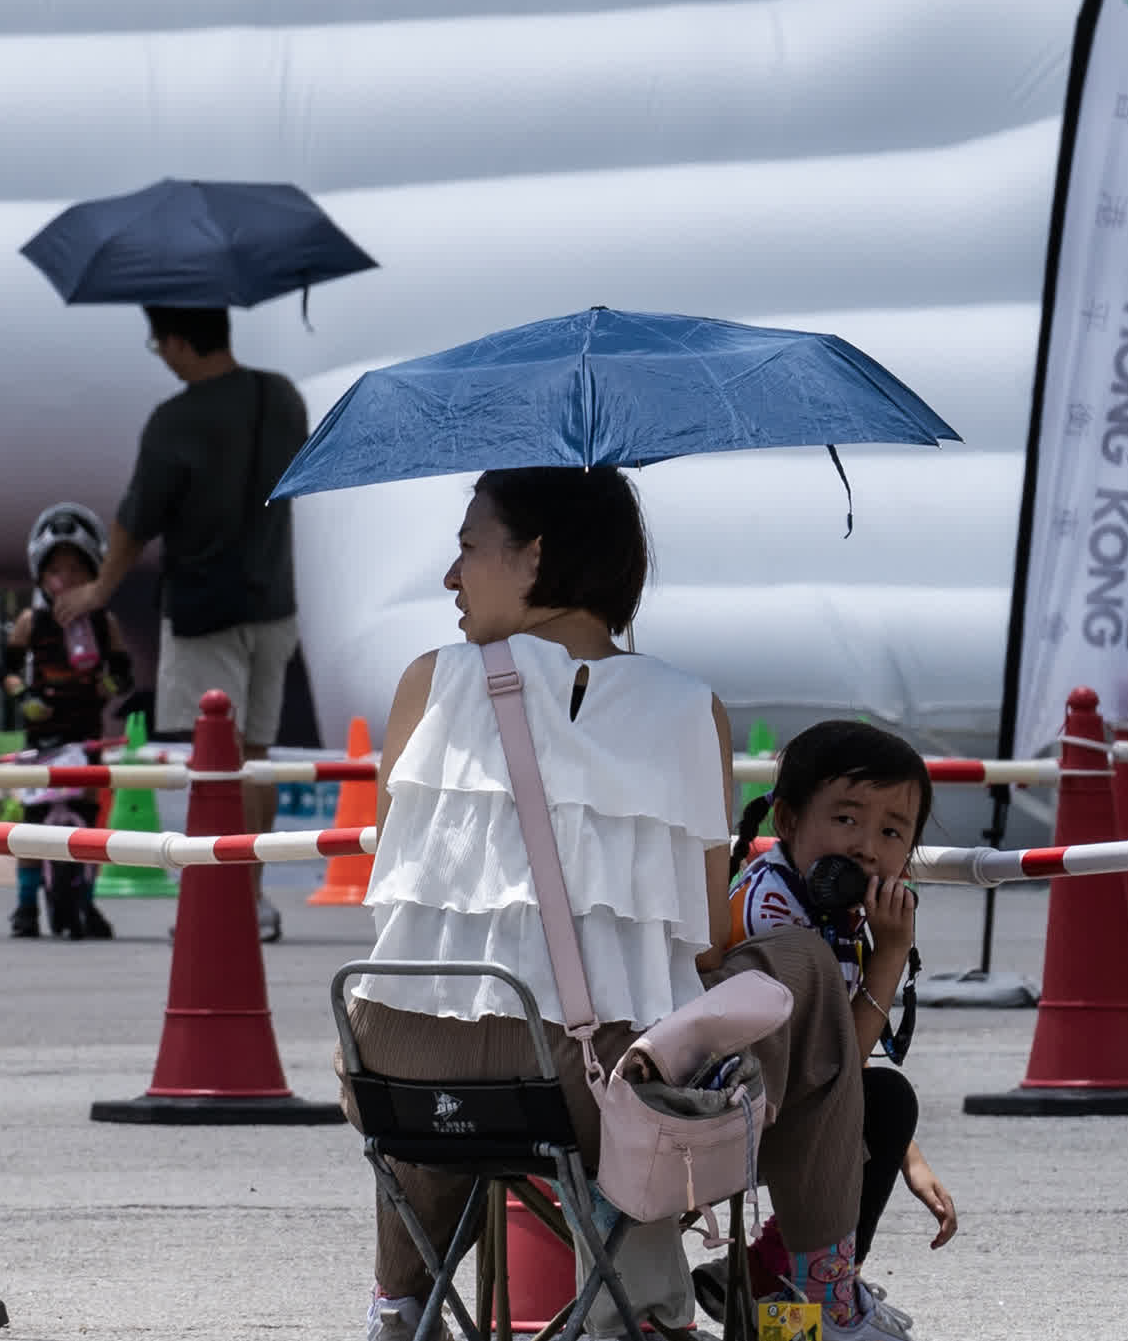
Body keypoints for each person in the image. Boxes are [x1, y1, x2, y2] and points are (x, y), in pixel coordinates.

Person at [351, 466, 878, 1338]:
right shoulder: (687, 707)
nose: (452, 576)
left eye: (466, 547)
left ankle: (401, 1299)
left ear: (537, 557)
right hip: (593, 1083)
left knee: (450, 1017)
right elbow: (708, 936)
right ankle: (822, 1295)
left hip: (395, 1068)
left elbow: (397, 884)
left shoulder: (424, 681)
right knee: (801, 968)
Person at [54, 303, 306, 937]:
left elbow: (136, 518)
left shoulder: (176, 419)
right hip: (275, 603)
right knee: (257, 756)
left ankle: (227, 903)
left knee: (216, 761)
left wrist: (99, 590)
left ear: (179, 341)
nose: (160, 354)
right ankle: (254, 896)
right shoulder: (282, 397)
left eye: (158, 341)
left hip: (204, 611)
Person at [730, 722, 956, 1299]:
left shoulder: (840, 912)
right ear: (788, 821)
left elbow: (835, 1068)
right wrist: (892, 957)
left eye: (890, 831)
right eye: (846, 819)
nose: (866, 847)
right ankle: (811, 1284)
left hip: (786, 1103)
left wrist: (907, 1154)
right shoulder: (772, 908)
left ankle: (792, 1274)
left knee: (886, 1101)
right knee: (883, 1100)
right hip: (727, 1106)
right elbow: (829, 1067)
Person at [1, 500, 134, 941]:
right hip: (43, 738)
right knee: (31, 824)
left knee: (89, 822)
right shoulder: (29, 621)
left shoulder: (102, 622)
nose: (67, 580)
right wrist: (23, 695)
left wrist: (112, 683)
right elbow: (4, 667)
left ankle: (86, 900)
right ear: (41, 574)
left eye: (77, 570)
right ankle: (24, 906)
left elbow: (122, 671)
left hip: (86, 737)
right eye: (57, 570)